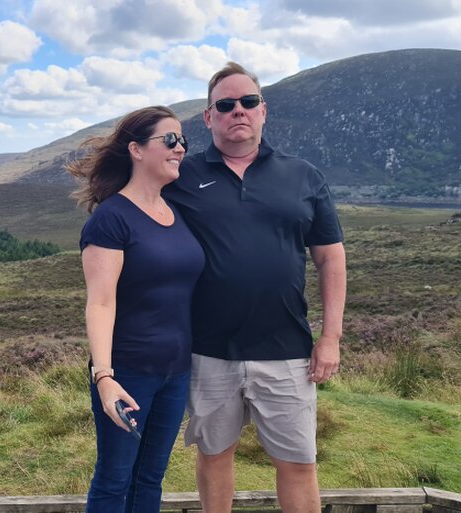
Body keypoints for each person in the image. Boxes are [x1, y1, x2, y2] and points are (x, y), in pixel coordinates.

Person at [162, 62, 347, 513]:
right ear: (209, 117)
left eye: (247, 102)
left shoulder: (303, 176)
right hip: (208, 350)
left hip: (287, 350)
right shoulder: (181, 176)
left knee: (299, 463)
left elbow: (330, 257)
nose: (237, 111)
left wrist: (330, 338)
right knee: (214, 456)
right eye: (225, 105)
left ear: (264, 111)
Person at [69, 105, 203, 512]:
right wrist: (105, 377)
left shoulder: (174, 212)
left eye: (183, 140)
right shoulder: (111, 219)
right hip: (128, 373)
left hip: (175, 373)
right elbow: (101, 301)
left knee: (150, 479)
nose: (180, 148)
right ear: (137, 150)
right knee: (114, 479)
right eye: (170, 139)